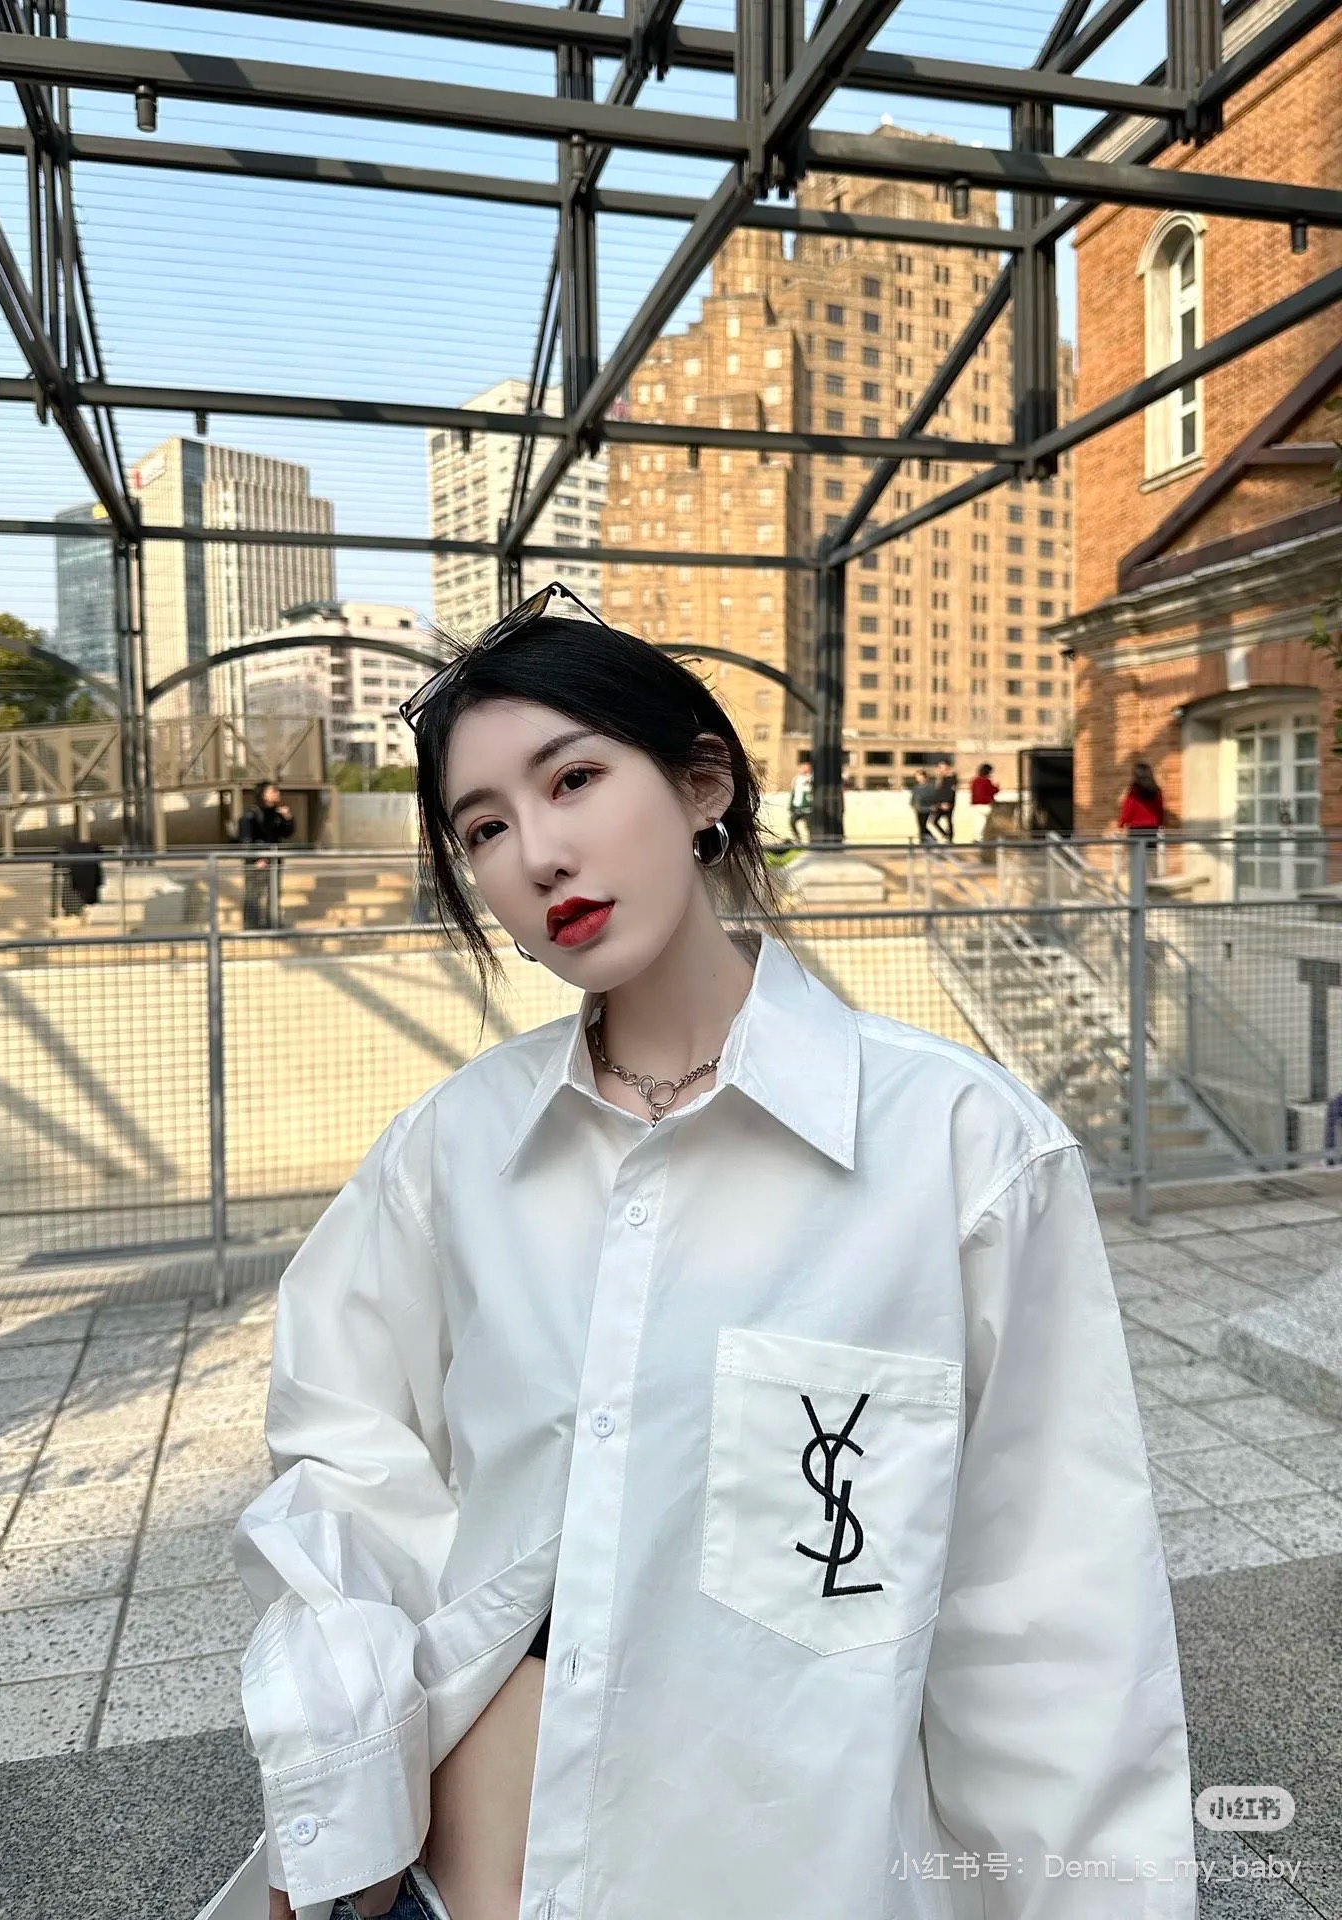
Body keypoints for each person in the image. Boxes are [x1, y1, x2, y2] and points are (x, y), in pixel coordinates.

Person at [231, 581, 1196, 1920]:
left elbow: (1050, 1616)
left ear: (703, 786)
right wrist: (341, 1793)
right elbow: (338, 1465)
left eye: (574, 779)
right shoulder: (449, 1153)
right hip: (447, 1886)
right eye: (485, 828)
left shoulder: (959, 1147)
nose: (539, 856)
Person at [238, 780, 296, 930]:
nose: (277, 793)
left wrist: (288, 819)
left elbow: (286, 833)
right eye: (273, 791)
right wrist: (256, 858)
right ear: (263, 794)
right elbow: (246, 839)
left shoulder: (277, 813)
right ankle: (251, 925)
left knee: (274, 892)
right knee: (254, 893)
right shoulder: (251, 814)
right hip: (257, 861)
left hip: (274, 860)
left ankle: (273, 923)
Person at [1117, 759, 1166, 873]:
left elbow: (1128, 810)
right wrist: (1159, 823)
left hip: (1136, 830)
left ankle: (1137, 882)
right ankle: (1152, 881)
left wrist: (1121, 824)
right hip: (1152, 829)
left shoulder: (1133, 792)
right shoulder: (1157, 791)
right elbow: (1160, 810)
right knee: (1151, 859)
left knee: (1136, 860)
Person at [969, 760, 999, 839]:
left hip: (976, 804)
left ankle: (978, 837)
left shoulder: (975, 781)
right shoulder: (987, 781)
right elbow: (993, 790)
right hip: (986, 804)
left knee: (979, 822)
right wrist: (996, 786)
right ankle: (984, 837)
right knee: (987, 822)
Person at [909, 766, 940, 843]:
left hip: (928, 809)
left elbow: (935, 797)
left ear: (924, 777)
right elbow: (913, 797)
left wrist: (934, 806)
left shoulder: (931, 786)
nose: (918, 778)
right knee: (921, 826)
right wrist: (912, 804)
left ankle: (932, 839)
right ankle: (923, 840)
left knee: (923, 825)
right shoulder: (916, 787)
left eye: (919, 776)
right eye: (917, 777)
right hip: (919, 809)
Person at [787, 752, 813, 844]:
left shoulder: (811, 778)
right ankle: (798, 840)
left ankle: (812, 842)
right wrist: (791, 806)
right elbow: (794, 792)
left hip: (808, 807)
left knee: (809, 826)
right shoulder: (797, 778)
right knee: (792, 822)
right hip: (797, 807)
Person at [931, 756, 958, 843]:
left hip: (948, 802)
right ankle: (946, 835)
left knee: (948, 820)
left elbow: (950, 791)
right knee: (934, 821)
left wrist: (947, 802)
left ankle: (950, 838)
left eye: (942, 767)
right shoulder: (940, 778)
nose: (941, 769)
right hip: (940, 802)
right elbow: (938, 791)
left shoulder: (951, 778)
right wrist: (936, 802)